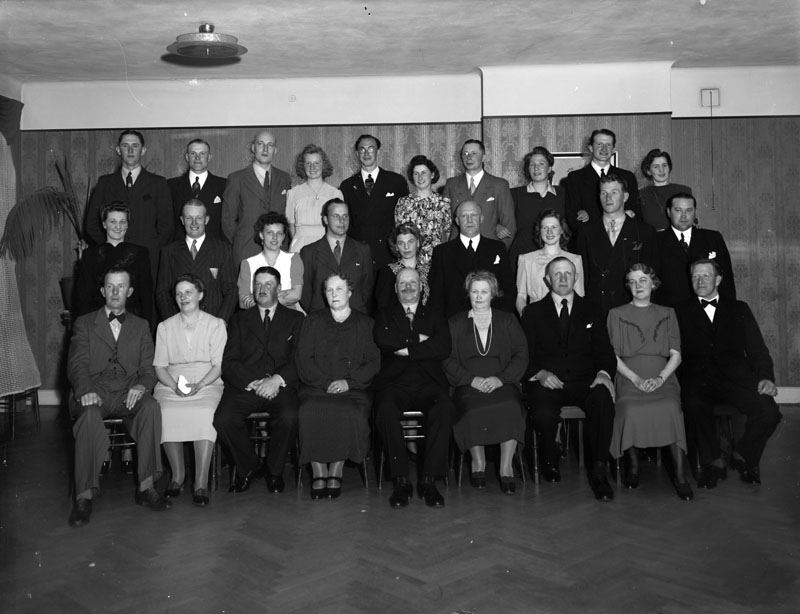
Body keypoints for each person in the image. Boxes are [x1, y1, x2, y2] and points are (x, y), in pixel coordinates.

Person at [67, 268, 170, 527]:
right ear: (103, 291)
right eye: (110, 287)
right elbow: (77, 364)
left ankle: (146, 487)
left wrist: (141, 386)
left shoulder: (141, 325)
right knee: (89, 414)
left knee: (151, 407)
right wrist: (85, 390)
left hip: (128, 391)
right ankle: (83, 496)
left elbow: (148, 369)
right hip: (95, 389)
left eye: (121, 286)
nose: (115, 292)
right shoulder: (84, 323)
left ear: (129, 291)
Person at [675, 259, 782, 487]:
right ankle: (713, 462)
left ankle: (743, 455)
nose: (700, 281)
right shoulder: (679, 312)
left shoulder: (739, 308)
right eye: (695, 276)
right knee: (693, 405)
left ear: (718, 280)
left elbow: (757, 349)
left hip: (736, 379)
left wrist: (765, 377)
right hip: (699, 380)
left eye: (706, 275)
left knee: (769, 411)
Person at [521, 257, 617, 500]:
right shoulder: (533, 312)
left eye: (568, 274)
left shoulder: (592, 309)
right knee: (542, 410)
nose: (563, 279)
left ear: (576, 277)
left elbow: (604, 352)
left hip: (585, 381)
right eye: (557, 274)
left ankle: (599, 470)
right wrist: (540, 374)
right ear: (547, 279)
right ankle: (549, 458)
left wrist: (603, 374)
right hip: (548, 382)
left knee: (603, 399)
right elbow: (523, 356)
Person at [214, 266, 304, 494]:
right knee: (223, 419)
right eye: (258, 284)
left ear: (279, 288)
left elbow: (300, 358)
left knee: (290, 416)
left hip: (280, 386)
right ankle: (249, 467)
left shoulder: (296, 319)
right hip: (247, 386)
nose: (262, 288)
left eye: (268, 284)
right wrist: (252, 382)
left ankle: (274, 471)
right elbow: (229, 361)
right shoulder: (239, 319)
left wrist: (276, 380)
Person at [607, 264, 693, 500]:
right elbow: (612, 356)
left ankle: (680, 476)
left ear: (653, 284)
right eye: (632, 281)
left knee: (671, 407)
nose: (638, 285)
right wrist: (635, 378)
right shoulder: (616, 314)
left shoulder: (668, 313)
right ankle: (634, 467)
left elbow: (676, 354)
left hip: (662, 375)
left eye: (643, 280)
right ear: (628, 286)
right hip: (628, 375)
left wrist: (660, 378)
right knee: (629, 408)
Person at [373, 267, 454, 508]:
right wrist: (418, 339)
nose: (408, 287)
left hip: (429, 382)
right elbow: (384, 340)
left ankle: (429, 480)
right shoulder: (384, 314)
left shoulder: (435, 314)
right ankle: (401, 481)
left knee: (445, 408)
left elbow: (443, 346)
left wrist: (406, 349)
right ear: (395, 288)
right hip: (395, 382)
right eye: (403, 283)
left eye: (413, 282)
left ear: (421, 287)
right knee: (384, 409)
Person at [296, 274, 380, 499]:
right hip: (316, 386)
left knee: (350, 412)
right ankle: (318, 471)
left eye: (339, 289)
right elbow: (304, 359)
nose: (334, 294)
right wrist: (325, 383)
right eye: (329, 290)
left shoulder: (365, 323)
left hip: (353, 388)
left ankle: (336, 470)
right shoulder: (312, 321)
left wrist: (348, 383)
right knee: (309, 411)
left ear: (350, 292)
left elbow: (373, 361)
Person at [444, 271, 528, 494]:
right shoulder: (455, 322)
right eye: (475, 292)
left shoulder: (508, 320)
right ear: (468, 294)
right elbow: (447, 358)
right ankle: (478, 463)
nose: (479, 296)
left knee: (511, 406)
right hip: (467, 384)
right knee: (471, 408)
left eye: (484, 292)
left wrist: (501, 379)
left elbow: (521, 354)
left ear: (493, 294)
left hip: (503, 382)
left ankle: (506, 467)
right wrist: (470, 380)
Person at [153, 274, 227, 506]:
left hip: (207, 381)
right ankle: (178, 475)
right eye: (178, 293)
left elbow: (219, 366)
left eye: (188, 292)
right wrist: (173, 386)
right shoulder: (164, 327)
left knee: (205, 411)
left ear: (200, 295)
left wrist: (201, 385)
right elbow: (160, 367)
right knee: (164, 410)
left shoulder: (216, 324)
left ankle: (201, 482)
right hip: (171, 381)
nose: (183, 297)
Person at [85, 130, 172, 279]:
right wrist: (109, 246)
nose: (130, 150)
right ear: (118, 150)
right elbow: (91, 224)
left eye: (135, 146)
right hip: (112, 259)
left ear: (143, 150)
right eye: (125, 146)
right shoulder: (105, 183)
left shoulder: (158, 184)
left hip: (148, 260)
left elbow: (167, 227)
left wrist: (152, 249)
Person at [576, 174, 657, 314]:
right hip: (597, 308)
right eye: (603, 193)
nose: (608, 198)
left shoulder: (644, 231)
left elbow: (652, 275)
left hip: (632, 308)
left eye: (614, 192)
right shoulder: (586, 232)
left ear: (625, 197)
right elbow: (583, 275)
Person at [429, 201, 515, 318]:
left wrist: (499, 318)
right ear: (457, 221)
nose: (469, 220)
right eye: (464, 216)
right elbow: (436, 295)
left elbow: (509, 288)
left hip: (492, 319)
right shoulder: (442, 252)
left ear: (481, 218)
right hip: (454, 321)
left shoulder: (497, 248)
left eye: (473, 215)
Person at [156, 199, 237, 322]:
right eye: (189, 218)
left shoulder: (223, 249)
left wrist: (220, 322)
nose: (194, 223)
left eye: (199, 218)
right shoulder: (169, 251)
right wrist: (172, 323)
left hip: (212, 322)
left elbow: (231, 291)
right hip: (180, 323)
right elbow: (162, 293)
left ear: (206, 219)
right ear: (182, 220)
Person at [222, 129, 292, 266]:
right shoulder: (236, 179)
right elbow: (227, 219)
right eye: (261, 144)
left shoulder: (284, 178)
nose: (265, 149)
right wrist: (240, 240)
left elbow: (287, 216)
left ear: (275, 150)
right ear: (253, 148)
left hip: (278, 251)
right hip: (246, 250)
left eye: (270, 145)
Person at [340, 134, 409, 269]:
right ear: (357, 154)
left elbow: (404, 220)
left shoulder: (396, 181)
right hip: (358, 254)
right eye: (362, 149)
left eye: (371, 149)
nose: (366, 153)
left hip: (388, 253)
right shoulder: (347, 186)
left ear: (378, 152)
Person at [74, 203, 152, 323]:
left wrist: (146, 328)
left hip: (132, 323)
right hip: (98, 323)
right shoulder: (90, 255)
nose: (118, 226)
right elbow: (83, 299)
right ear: (104, 224)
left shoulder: (141, 254)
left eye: (122, 222)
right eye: (112, 222)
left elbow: (146, 297)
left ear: (127, 225)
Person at [654, 193, 736, 307]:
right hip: (670, 311)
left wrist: (728, 309)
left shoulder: (713, 238)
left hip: (708, 309)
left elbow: (726, 280)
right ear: (668, 212)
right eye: (678, 210)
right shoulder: (655, 241)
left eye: (689, 210)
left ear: (695, 212)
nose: (683, 216)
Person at [299, 198, 374, 314]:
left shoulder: (363, 250)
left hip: (355, 316)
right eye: (336, 216)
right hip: (321, 318)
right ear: (325, 219)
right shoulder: (309, 252)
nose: (341, 221)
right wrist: (317, 315)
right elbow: (305, 293)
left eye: (345, 216)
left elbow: (367, 288)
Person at [563, 128, 641, 232]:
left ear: (613, 149)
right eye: (599, 144)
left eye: (608, 145)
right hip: (588, 237)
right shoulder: (575, 178)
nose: (604, 149)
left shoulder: (627, 177)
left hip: (621, 236)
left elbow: (636, 212)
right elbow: (572, 216)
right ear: (591, 148)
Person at [443, 139, 516, 248]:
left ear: (484, 157)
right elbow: (444, 222)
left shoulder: (499, 185)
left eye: (474, 153)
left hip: (489, 248)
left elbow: (509, 225)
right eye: (465, 154)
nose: (469, 157)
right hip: (457, 249)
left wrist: (499, 251)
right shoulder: (451, 184)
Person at [515, 208, 584, 315]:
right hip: (536, 316)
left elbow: (580, 296)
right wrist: (527, 318)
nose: (549, 232)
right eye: (545, 227)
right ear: (539, 231)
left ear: (562, 230)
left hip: (566, 316)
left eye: (554, 227)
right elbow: (520, 296)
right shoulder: (526, 260)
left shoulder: (575, 260)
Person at [509, 147, 566, 268]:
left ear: (549, 168)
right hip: (523, 258)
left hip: (555, 259)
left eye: (541, 164)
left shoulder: (563, 194)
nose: (536, 168)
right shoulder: (514, 195)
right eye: (532, 164)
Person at [237, 212, 304, 311]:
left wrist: (258, 298)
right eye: (270, 233)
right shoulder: (248, 263)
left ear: (283, 237)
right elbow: (243, 302)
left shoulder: (293, 259)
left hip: (287, 315)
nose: (275, 237)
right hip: (256, 316)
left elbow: (296, 295)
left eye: (279, 233)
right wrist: (281, 297)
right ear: (261, 235)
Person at [393, 154, 451, 266]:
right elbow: (399, 235)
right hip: (410, 262)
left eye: (424, 173)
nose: (420, 177)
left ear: (432, 175)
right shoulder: (403, 203)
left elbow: (449, 235)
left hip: (436, 262)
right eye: (416, 174)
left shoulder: (443, 203)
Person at [285, 144, 344, 252]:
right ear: (303, 166)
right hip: (300, 247)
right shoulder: (293, 193)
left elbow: (339, 225)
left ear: (323, 165)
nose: (312, 167)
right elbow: (291, 224)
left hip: (327, 246)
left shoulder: (334, 193)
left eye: (316, 163)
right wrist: (298, 241)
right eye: (308, 163)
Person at [168, 138, 228, 241]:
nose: (197, 158)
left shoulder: (224, 185)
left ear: (209, 157)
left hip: (214, 246)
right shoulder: (171, 186)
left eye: (202, 154)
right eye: (193, 153)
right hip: (180, 246)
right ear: (187, 157)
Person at [373, 222, 430, 310]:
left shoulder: (431, 271)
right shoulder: (386, 273)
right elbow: (383, 306)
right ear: (396, 247)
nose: (406, 247)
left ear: (418, 243)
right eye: (401, 243)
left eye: (410, 241)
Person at [638, 149, 693, 231]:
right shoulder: (641, 194)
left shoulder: (683, 190)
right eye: (656, 167)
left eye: (664, 165)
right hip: (651, 237)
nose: (661, 170)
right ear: (648, 171)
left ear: (669, 168)